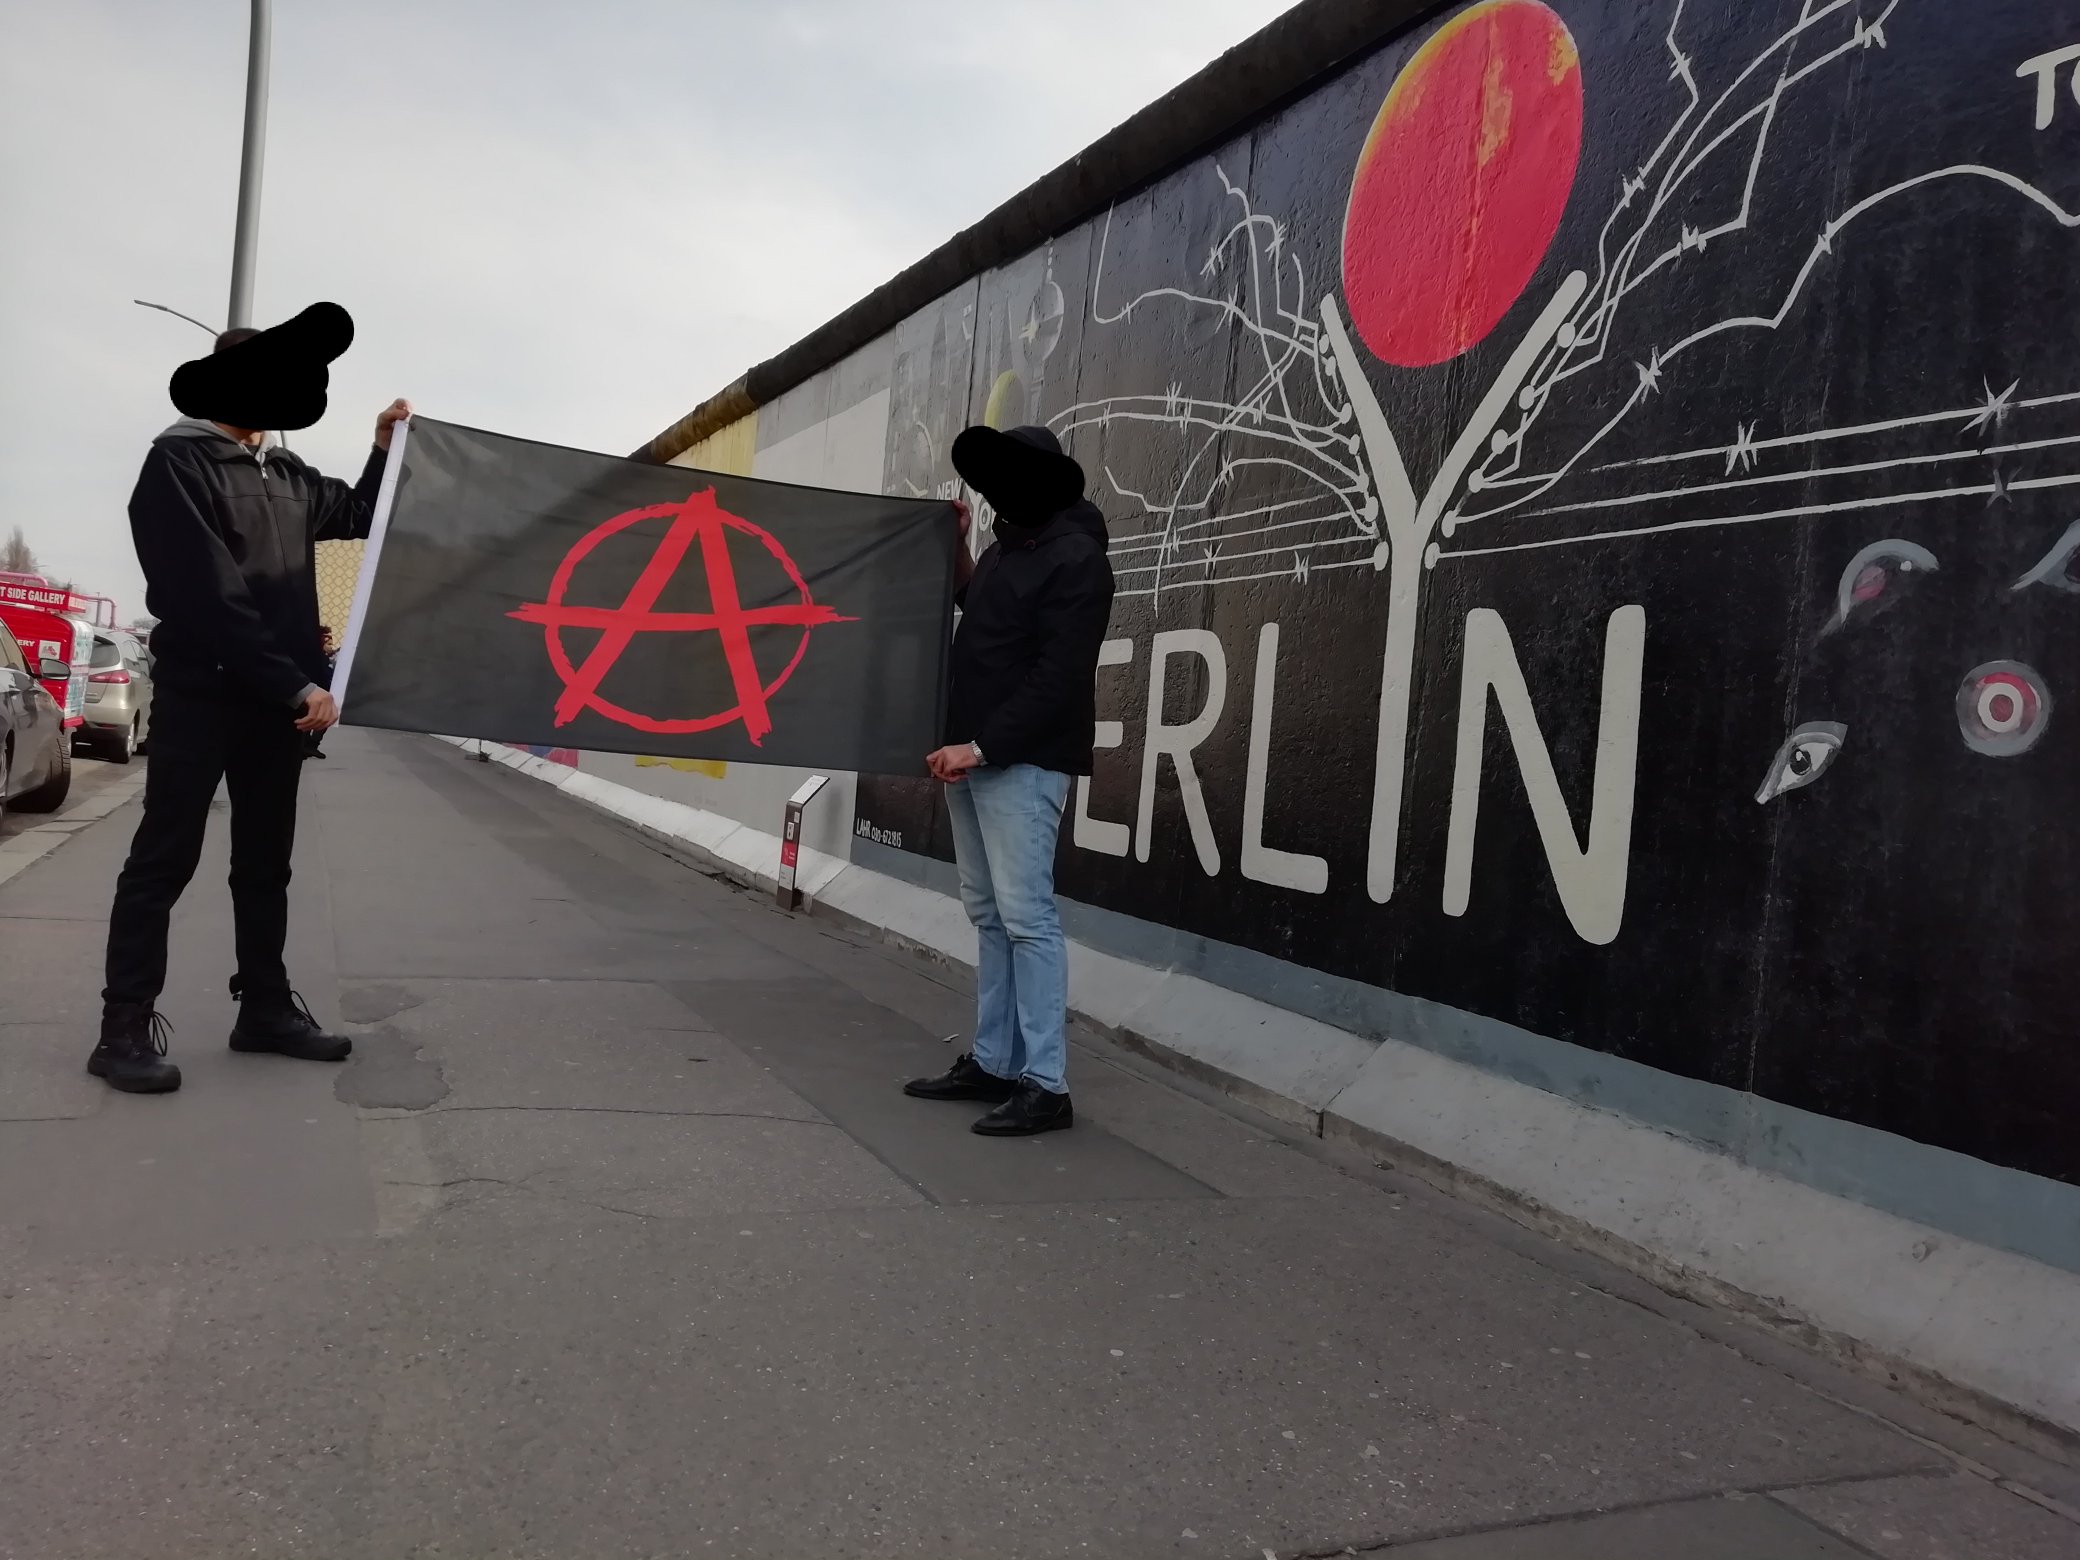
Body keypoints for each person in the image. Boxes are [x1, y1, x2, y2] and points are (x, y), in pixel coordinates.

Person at [88, 302, 410, 1094]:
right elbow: (208, 595)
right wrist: (298, 680)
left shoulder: (291, 476)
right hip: (203, 696)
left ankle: (262, 1008)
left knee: (265, 866)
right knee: (164, 859)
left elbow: (364, 513)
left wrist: (378, 450)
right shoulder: (177, 466)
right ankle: (122, 1025)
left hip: (276, 711)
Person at [905, 425, 1114, 1136]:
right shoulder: (1006, 548)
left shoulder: (1077, 560)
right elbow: (979, 606)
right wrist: (960, 545)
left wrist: (980, 747)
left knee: (1028, 920)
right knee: (991, 917)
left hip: (1019, 765)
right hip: (972, 760)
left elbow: (1060, 679)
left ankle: (1046, 1085)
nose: (1000, 491)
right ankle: (996, 1062)